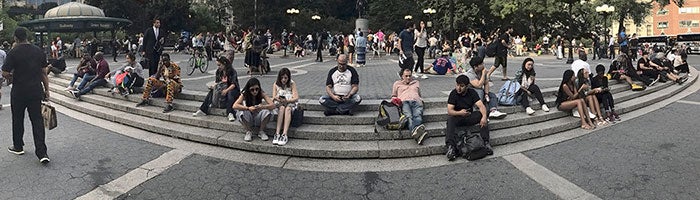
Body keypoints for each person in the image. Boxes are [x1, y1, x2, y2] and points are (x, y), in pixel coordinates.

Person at [1, 27, 51, 163]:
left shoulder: (13, 52)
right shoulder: (38, 51)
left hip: (19, 91)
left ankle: (18, 146)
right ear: (27, 37)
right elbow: (43, 73)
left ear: (16, 38)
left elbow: (4, 72)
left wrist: (12, 76)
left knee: (18, 119)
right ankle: (42, 153)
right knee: (37, 121)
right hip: (36, 91)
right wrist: (47, 90)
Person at [445, 75, 493, 161]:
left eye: (462, 86)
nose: (458, 88)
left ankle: (486, 143)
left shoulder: (472, 92)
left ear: (467, 86)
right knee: (450, 119)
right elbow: (449, 111)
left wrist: (484, 117)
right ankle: (450, 147)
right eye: (457, 85)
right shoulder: (453, 93)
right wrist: (460, 113)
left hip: (469, 116)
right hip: (458, 117)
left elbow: (481, 106)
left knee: (482, 115)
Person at [193, 56, 240, 121]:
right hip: (222, 87)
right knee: (211, 92)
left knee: (230, 93)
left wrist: (226, 90)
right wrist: (213, 86)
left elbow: (234, 84)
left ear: (224, 64)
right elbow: (217, 82)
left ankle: (230, 113)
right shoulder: (218, 72)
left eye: (219, 65)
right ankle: (203, 110)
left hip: (231, 89)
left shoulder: (232, 71)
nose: (218, 67)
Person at [392, 68, 429, 145]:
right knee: (409, 116)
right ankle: (417, 134)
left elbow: (419, 94)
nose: (408, 78)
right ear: (402, 76)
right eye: (406, 76)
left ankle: (415, 133)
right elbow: (394, 96)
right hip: (404, 102)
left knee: (418, 115)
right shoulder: (397, 84)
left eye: (410, 76)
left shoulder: (416, 82)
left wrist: (421, 100)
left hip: (416, 102)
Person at [572, 63, 608, 127]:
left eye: (587, 72)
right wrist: (588, 90)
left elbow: (589, 91)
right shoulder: (577, 81)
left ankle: (600, 116)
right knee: (590, 97)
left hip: (587, 96)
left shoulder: (588, 80)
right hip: (581, 98)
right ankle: (595, 118)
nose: (588, 74)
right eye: (586, 73)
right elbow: (580, 94)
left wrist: (594, 90)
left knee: (593, 96)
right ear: (582, 74)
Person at [271, 68, 299, 146]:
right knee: (282, 108)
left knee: (287, 109)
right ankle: (277, 133)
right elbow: (273, 97)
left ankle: (284, 134)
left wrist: (287, 101)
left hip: (290, 103)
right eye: (282, 78)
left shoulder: (292, 83)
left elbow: (296, 97)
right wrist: (279, 98)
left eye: (285, 78)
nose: (283, 80)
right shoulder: (276, 84)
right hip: (280, 104)